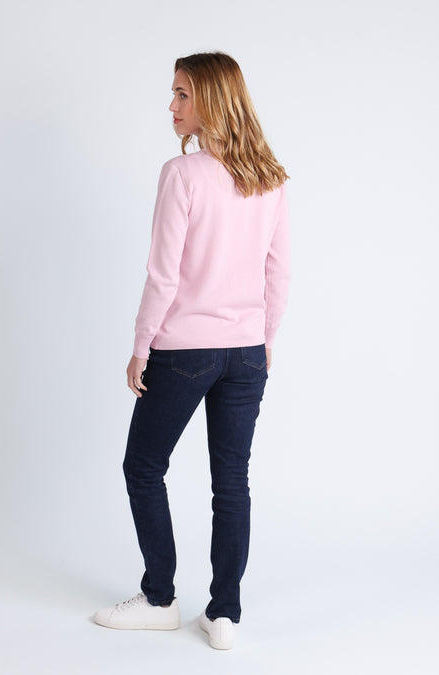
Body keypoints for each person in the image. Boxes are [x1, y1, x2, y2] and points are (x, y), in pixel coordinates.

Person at [93, 51, 291, 650]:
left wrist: (140, 346)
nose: (172, 106)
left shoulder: (182, 175)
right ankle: (223, 614)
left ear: (211, 99)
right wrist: (266, 340)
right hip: (247, 352)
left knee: (143, 466)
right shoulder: (269, 177)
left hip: (185, 351)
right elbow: (279, 273)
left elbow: (164, 274)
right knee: (231, 480)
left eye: (182, 94)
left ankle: (159, 599)